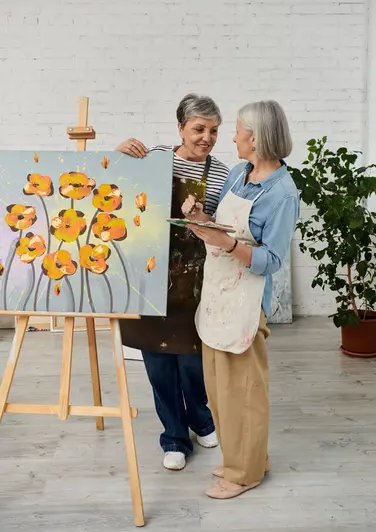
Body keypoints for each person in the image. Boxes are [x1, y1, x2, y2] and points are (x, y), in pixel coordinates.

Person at [182, 100, 300, 498]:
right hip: (219, 294)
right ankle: (246, 458)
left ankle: (245, 474)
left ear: (255, 137)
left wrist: (227, 243)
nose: (230, 137)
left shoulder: (283, 193)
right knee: (221, 390)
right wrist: (200, 215)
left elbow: (271, 259)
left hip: (248, 302)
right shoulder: (239, 173)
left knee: (244, 391)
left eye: (236, 131)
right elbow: (222, 222)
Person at [116, 94, 230, 471]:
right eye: (199, 129)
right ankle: (175, 438)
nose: (207, 137)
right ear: (180, 127)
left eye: (213, 130)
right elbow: (116, 188)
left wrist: (203, 216)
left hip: (194, 278)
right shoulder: (154, 157)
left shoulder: (223, 173)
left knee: (192, 361)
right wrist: (118, 155)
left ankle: (202, 419)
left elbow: (222, 227)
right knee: (158, 363)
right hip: (147, 274)